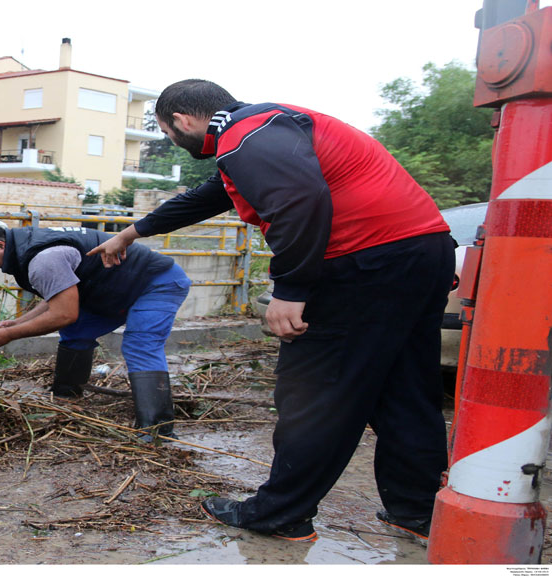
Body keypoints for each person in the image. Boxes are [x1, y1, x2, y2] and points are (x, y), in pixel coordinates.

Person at [88, 79, 454, 542]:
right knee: (405, 388)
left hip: (363, 261)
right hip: (421, 251)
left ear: (181, 121)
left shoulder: (247, 136)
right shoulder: (264, 129)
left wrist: (292, 288)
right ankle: (418, 510)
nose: (172, 141)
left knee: (314, 390)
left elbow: (301, 200)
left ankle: (281, 514)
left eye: (167, 133)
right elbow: (206, 197)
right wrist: (131, 233)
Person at [0, 224, 190, 440]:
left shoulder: (44, 258)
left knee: (140, 345)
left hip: (155, 282)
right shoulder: (31, 247)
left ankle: (157, 429)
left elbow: (63, 314)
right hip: (116, 287)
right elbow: (58, 291)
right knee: (76, 331)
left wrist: (9, 335)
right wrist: (17, 323)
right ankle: (66, 400)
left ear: (0, 245)